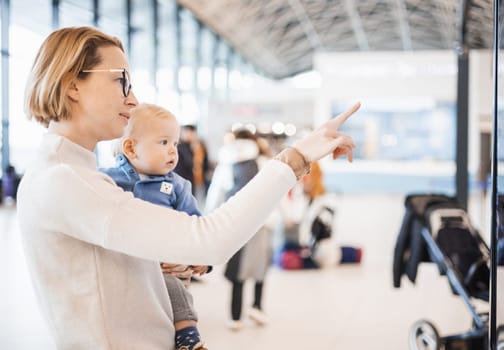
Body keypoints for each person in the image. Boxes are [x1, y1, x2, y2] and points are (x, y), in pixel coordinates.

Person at [18, 25, 359, 349]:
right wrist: (297, 157)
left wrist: (159, 265)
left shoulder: (72, 173)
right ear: (71, 85)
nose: (133, 99)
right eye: (121, 81)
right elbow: (209, 239)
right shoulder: (66, 181)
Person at [99, 103, 210, 350]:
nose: (173, 151)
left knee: (171, 287)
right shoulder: (106, 180)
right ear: (131, 147)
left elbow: (196, 227)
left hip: (165, 267)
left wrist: (201, 258)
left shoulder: (177, 186)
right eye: (163, 143)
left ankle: (187, 335)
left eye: (175, 144)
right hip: (123, 267)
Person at [205, 130, 275, 331]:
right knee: (260, 267)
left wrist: (209, 218)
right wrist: (286, 216)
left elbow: (215, 193)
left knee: (237, 269)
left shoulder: (226, 162)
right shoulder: (262, 162)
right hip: (261, 223)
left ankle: (235, 316)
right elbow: (274, 191)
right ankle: (257, 307)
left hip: (234, 223)